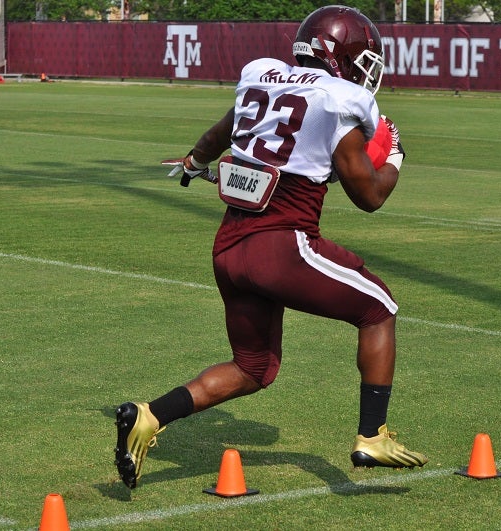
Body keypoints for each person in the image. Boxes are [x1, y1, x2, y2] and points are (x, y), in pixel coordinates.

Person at [114, 4, 427, 490]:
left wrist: (196, 162)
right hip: (283, 248)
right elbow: (369, 196)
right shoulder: (337, 100)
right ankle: (373, 435)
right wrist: (397, 158)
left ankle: (150, 415)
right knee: (379, 308)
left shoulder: (263, 76)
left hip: (230, 249)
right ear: (339, 58)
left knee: (253, 367)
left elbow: (222, 131)